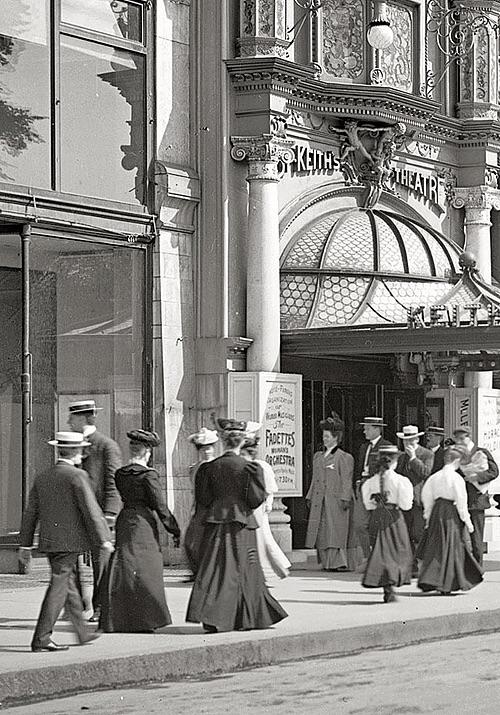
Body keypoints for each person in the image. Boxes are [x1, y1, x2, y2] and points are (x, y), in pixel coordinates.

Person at [186, 418, 288, 633]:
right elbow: (256, 499)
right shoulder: (250, 468)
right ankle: (247, 617)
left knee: (217, 569)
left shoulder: (209, 468)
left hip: (216, 523)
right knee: (247, 571)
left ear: (223, 442)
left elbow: (203, 498)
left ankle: (213, 616)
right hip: (243, 523)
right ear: (241, 442)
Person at [18, 432, 113, 652]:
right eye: (81, 449)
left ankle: (81, 633)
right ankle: (41, 638)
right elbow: (91, 511)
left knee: (69, 587)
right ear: (76, 451)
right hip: (70, 543)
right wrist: (104, 540)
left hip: (50, 542)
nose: (82, 453)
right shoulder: (77, 476)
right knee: (59, 588)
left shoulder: (43, 476)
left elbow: (31, 512)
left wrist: (25, 545)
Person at [99, 430, 181, 633]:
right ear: (147, 452)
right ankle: (146, 618)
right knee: (146, 569)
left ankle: (118, 618)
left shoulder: (120, 474)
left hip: (125, 519)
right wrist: (174, 529)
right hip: (143, 522)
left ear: (131, 449)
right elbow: (160, 506)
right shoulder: (148, 475)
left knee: (124, 567)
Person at [67, 399, 122, 621]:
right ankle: (77, 605)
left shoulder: (106, 445)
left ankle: (100, 607)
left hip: (99, 514)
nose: (68, 421)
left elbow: (112, 481)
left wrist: (110, 513)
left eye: (73, 417)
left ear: (84, 418)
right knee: (71, 562)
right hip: (75, 514)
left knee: (101, 562)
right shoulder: (70, 443)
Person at [417, 445, 483, 595]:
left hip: (436, 512)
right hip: (450, 513)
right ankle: (449, 583)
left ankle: (433, 579)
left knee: (437, 547)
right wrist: (467, 521)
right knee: (452, 547)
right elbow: (461, 501)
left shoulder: (434, 477)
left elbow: (426, 498)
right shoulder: (456, 478)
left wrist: (428, 518)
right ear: (456, 460)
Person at [361, 445, 413, 603]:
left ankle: (386, 586)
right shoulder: (401, 481)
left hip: (377, 516)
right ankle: (390, 584)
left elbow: (368, 505)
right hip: (394, 517)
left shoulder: (370, 482)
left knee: (379, 550)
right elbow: (406, 505)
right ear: (395, 461)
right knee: (397, 551)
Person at [305, 415, 358, 571]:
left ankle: (339, 562)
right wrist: (309, 496)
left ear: (336, 438)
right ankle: (326, 562)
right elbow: (314, 479)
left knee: (336, 531)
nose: (324, 439)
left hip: (336, 500)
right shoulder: (318, 457)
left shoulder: (344, 457)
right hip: (319, 499)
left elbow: (347, 480)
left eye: (327, 437)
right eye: (324, 436)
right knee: (322, 532)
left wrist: (345, 498)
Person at [241, 435, 290, 584]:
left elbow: (269, 489)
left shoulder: (261, 466)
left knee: (263, 538)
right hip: (248, 507)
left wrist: (268, 503)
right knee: (260, 539)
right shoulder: (244, 466)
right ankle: (277, 568)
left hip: (258, 507)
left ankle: (276, 568)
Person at [453, 426, 499, 566]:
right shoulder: (456, 455)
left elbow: (494, 471)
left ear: (469, 437)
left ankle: (478, 566)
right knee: (459, 535)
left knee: (476, 537)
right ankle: (463, 566)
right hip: (460, 500)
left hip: (477, 500)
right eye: (457, 439)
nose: (460, 442)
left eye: (462, 438)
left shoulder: (481, 452)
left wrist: (476, 477)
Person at [396, 425, 434, 574]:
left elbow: (425, 472)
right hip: (404, 500)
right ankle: (411, 565)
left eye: (411, 440)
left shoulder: (427, 454)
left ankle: (422, 564)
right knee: (405, 533)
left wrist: (413, 458)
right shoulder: (400, 456)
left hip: (419, 500)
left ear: (417, 439)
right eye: (405, 441)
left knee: (418, 533)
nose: (408, 444)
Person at [352, 417, 391, 560]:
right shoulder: (364, 447)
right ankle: (368, 557)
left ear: (377, 429)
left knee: (377, 524)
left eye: (367, 428)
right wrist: (357, 481)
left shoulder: (386, 446)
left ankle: (378, 556)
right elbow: (359, 467)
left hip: (377, 489)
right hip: (362, 486)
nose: (364, 431)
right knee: (359, 524)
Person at [183, 427, 218, 580]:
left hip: (211, 508)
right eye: (203, 448)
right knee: (191, 541)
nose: (207, 451)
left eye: (209, 448)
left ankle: (205, 572)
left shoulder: (217, 466)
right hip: (198, 507)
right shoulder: (195, 468)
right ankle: (197, 571)